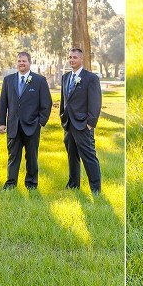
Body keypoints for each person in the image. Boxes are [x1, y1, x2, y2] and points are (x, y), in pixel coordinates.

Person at [0, 52, 52, 190]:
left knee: (32, 157)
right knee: (13, 157)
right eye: (19, 61)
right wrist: (1, 122)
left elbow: (46, 103)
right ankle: (10, 184)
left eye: (24, 61)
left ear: (29, 63)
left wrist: (40, 122)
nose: (21, 63)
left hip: (32, 126)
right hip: (13, 126)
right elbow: (3, 102)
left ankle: (31, 184)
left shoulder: (39, 80)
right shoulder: (8, 80)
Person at [60, 48, 102, 194]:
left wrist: (90, 123)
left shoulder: (91, 78)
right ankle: (73, 184)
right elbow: (64, 101)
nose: (72, 60)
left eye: (75, 57)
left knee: (89, 156)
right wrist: (62, 117)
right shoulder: (65, 77)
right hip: (68, 124)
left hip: (83, 124)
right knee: (72, 156)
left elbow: (95, 102)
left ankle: (95, 188)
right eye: (70, 57)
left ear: (82, 59)